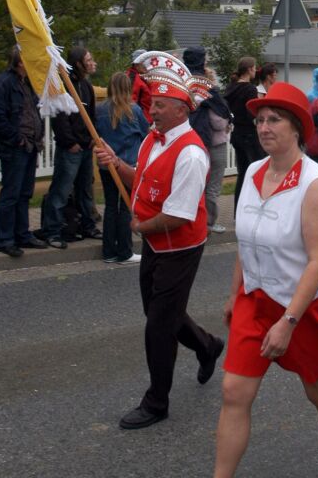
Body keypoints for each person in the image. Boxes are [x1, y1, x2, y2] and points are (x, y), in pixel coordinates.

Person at [170, 82, 318, 478]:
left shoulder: (316, 185)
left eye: (274, 119)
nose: (263, 127)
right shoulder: (254, 172)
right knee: (234, 394)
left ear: (298, 128)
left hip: (305, 306)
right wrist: (235, 292)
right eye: (259, 120)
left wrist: (288, 321)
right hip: (255, 301)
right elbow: (247, 239)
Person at [96, 52, 224, 429]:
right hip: (157, 241)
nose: (152, 110)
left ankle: (157, 402)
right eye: (152, 103)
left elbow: (179, 215)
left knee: (158, 325)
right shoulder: (155, 139)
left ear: (182, 110)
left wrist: (139, 227)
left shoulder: (191, 154)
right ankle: (207, 345)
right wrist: (116, 164)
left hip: (180, 246)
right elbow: (143, 179)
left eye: (161, 105)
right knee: (158, 311)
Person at [0, 47, 47, 257]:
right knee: (11, 193)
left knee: (24, 193)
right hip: (16, 148)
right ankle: (5, 239)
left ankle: (22, 234)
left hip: (29, 146)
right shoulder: (3, 84)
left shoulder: (26, 84)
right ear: (20, 63)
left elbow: (33, 112)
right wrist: (17, 139)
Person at [41, 47, 101, 248]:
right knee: (61, 189)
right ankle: (53, 231)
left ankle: (88, 225)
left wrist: (93, 137)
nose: (93, 63)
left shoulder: (86, 86)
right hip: (71, 149)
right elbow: (60, 117)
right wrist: (70, 142)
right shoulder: (63, 86)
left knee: (85, 189)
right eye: (89, 59)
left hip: (86, 147)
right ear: (78, 63)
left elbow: (91, 114)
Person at [95, 72, 149, 264]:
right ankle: (125, 251)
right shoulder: (134, 111)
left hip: (106, 165)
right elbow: (145, 134)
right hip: (127, 165)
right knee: (126, 205)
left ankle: (108, 251)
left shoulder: (100, 110)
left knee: (110, 206)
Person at [182, 47, 232, 234]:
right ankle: (208, 222)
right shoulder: (208, 88)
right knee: (212, 185)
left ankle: (190, 219)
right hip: (212, 143)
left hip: (187, 141)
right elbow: (219, 121)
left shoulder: (181, 84)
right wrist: (228, 120)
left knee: (192, 182)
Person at [224, 56, 263, 211]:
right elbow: (252, 113)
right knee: (257, 171)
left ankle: (237, 210)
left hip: (236, 133)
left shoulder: (230, 88)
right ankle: (256, 207)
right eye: (254, 68)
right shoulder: (250, 89)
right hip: (249, 134)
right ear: (249, 70)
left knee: (241, 173)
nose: (255, 71)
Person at [126, 49, 152, 123]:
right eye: (144, 62)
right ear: (136, 64)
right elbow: (130, 102)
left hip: (145, 121)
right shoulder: (132, 78)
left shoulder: (141, 77)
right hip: (140, 122)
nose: (147, 65)